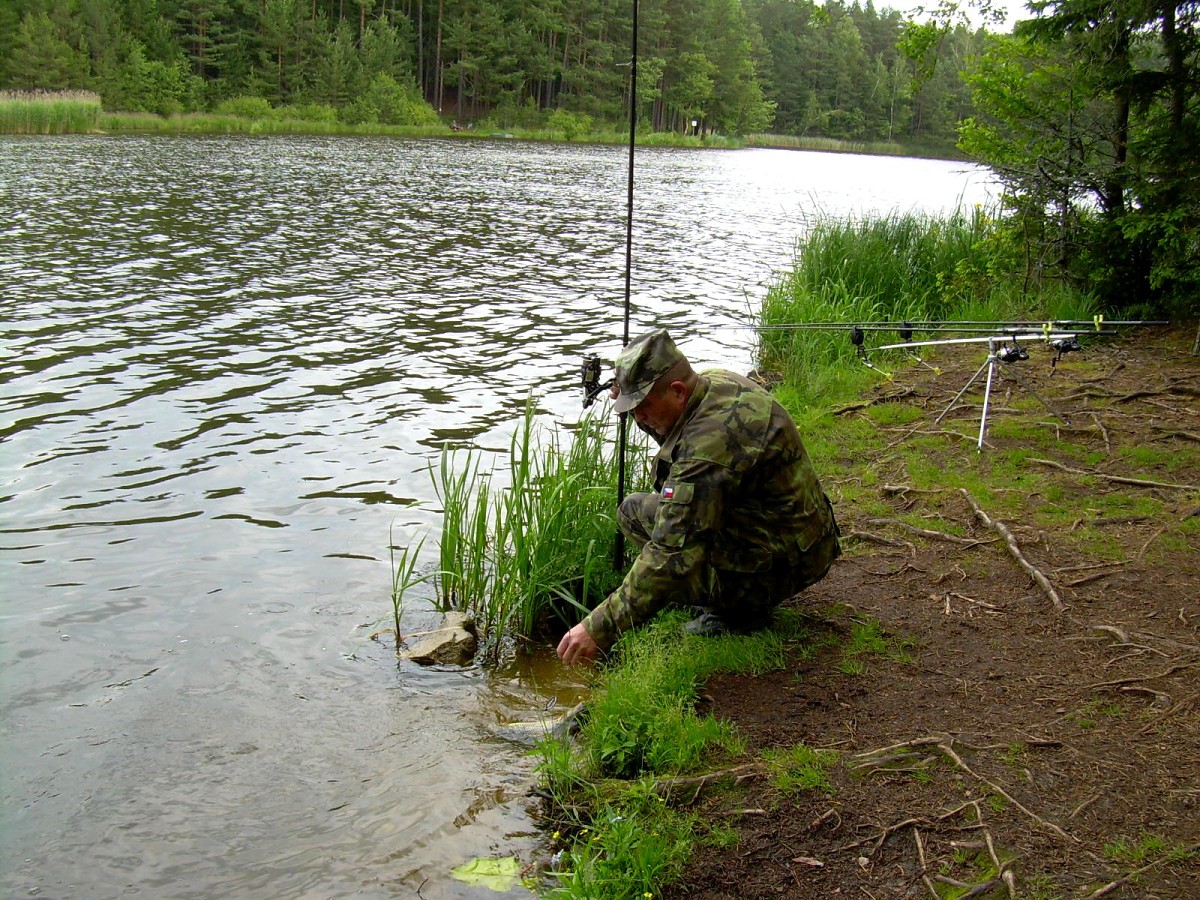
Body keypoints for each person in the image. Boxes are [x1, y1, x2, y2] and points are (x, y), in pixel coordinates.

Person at [557, 329, 840, 667]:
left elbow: (671, 552)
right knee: (633, 511)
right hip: (802, 536)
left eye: (641, 407)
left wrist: (597, 628)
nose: (637, 418)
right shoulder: (713, 385)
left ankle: (739, 612)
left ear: (677, 391)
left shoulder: (706, 449)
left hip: (787, 564)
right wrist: (633, 397)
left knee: (672, 556)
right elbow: (667, 429)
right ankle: (713, 591)